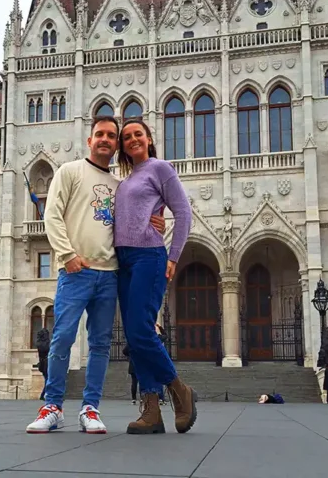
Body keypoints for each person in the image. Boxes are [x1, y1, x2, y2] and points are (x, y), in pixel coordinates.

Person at [26, 115, 164, 434]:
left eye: (111, 136)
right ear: (90, 140)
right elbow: (52, 215)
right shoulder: (70, 171)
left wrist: (156, 223)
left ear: (116, 145)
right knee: (62, 338)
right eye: (99, 134)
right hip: (76, 271)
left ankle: (90, 408)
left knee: (100, 344)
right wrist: (67, 255)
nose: (105, 139)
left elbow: (133, 223)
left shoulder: (121, 186)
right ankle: (53, 406)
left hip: (110, 273)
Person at [115, 117, 197, 435]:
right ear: (123, 147)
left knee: (141, 330)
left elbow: (184, 212)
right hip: (124, 260)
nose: (133, 139)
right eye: (127, 137)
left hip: (149, 255)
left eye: (139, 134)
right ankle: (151, 411)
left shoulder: (160, 168)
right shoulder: (123, 180)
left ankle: (179, 390)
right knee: (135, 337)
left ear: (149, 139)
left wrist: (173, 255)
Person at [34, 328, 49, 401]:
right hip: (47, 363)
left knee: (47, 379)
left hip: (42, 363)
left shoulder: (38, 343)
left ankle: (44, 394)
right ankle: (44, 395)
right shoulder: (46, 343)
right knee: (48, 379)